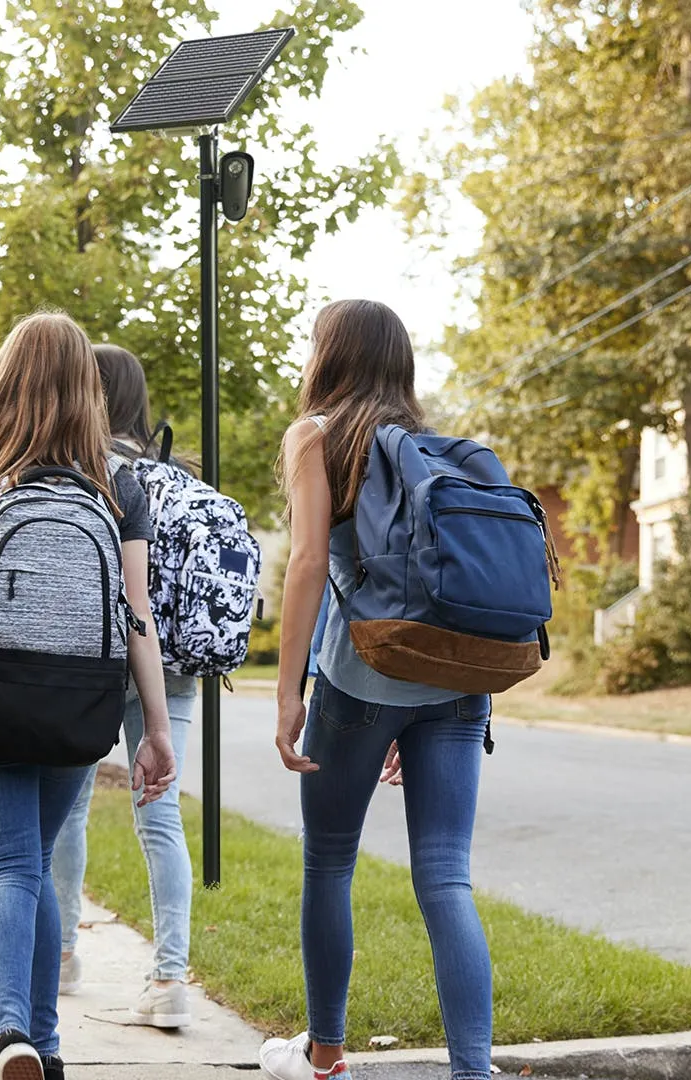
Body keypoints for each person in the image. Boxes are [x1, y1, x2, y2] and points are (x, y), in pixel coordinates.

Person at [0, 312, 178, 1080]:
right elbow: (136, 614)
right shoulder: (116, 476)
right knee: (39, 863)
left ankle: (10, 1033)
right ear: (87, 384)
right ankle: (47, 1046)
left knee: (10, 868)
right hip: (81, 698)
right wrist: (154, 730)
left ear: (8, 371)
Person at [260, 300, 494, 1080]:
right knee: (447, 876)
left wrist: (288, 691)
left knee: (329, 862)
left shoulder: (317, 435)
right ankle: (472, 1072)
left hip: (362, 678)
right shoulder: (437, 446)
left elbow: (305, 564)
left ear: (329, 355)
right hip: (457, 682)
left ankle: (326, 1058)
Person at [47, 344, 197, 1026]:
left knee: (70, 809)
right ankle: (169, 980)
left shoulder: (84, 469)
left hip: (99, 657)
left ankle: (62, 955)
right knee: (161, 815)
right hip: (175, 665)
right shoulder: (177, 473)